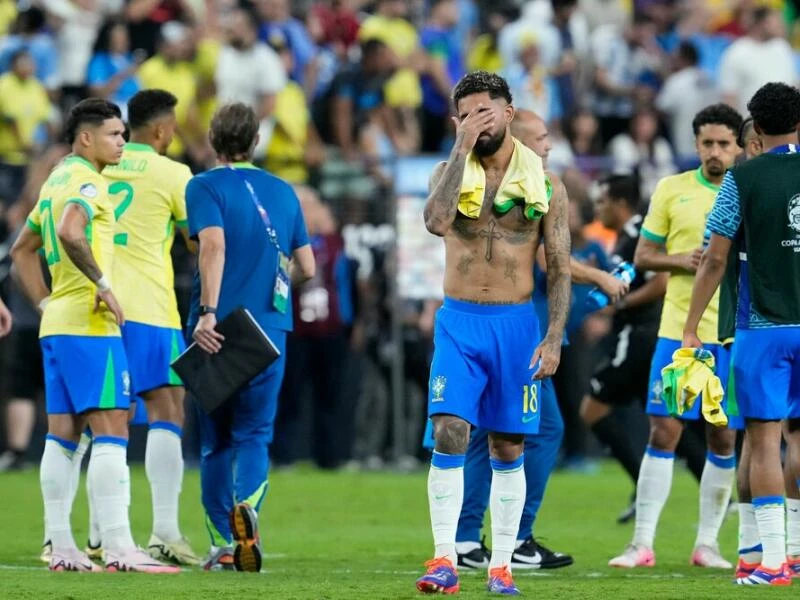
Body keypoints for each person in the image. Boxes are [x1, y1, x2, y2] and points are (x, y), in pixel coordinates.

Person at [415, 72, 571, 596]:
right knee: (449, 431)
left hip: (515, 325)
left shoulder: (547, 186)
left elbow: (562, 268)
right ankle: (443, 559)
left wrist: (552, 337)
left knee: (508, 445)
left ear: (509, 113)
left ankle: (501, 564)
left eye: (486, 111)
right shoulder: (447, 170)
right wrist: (460, 146)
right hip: (459, 321)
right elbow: (436, 222)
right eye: (467, 114)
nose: (478, 122)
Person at [10, 98, 178, 573]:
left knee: (61, 436)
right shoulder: (86, 180)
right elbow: (70, 230)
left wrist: (44, 300)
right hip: (89, 323)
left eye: (124, 134)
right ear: (86, 138)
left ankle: (62, 547)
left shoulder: (55, 179)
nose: (123, 142)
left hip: (57, 321)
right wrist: (103, 286)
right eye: (114, 134)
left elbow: (23, 249)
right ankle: (122, 547)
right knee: (112, 428)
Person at [455, 110, 627, 572]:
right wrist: (602, 279)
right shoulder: (527, 186)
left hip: (499, 325)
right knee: (543, 428)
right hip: (519, 332)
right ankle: (518, 537)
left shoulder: (514, 185)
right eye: (543, 137)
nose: (550, 145)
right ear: (522, 142)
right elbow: (552, 260)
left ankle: (467, 538)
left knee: (480, 437)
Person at [609, 103, 744, 569]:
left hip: (730, 332)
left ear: (739, 145)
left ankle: (708, 545)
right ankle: (641, 543)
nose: (715, 152)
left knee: (724, 438)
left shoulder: (749, 190)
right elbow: (644, 255)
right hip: (678, 333)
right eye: (707, 143)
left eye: (724, 143)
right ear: (695, 144)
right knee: (663, 430)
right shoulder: (672, 189)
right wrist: (683, 259)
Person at [187, 102, 315, 572]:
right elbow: (307, 267)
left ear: (213, 141)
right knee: (255, 435)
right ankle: (251, 512)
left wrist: (207, 312)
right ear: (256, 142)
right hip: (269, 330)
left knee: (214, 441)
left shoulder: (203, 186)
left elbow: (214, 245)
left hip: (216, 330)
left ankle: (224, 541)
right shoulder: (284, 191)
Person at [683, 82, 800, 586]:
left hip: (762, 328)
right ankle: (793, 552)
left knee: (763, 439)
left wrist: (691, 326)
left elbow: (714, 256)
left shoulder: (742, 178)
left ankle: (771, 561)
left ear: (753, 126)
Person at [99, 89, 201, 566]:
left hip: (94, 305)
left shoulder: (97, 164)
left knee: (95, 416)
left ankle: (95, 532)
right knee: (167, 408)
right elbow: (196, 240)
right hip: (148, 307)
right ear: (160, 130)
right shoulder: (172, 172)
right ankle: (163, 530)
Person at [579, 175, 667, 521]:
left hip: (638, 336)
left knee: (592, 409)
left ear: (619, 202)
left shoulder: (637, 236)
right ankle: (723, 489)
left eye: (602, 201)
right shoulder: (627, 236)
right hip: (646, 334)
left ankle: (641, 484)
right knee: (665, 421)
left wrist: (619, 305)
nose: (598, 208)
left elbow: (660, 282)